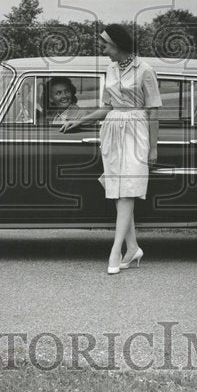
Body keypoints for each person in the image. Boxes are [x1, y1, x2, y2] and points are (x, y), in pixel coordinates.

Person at [59, 24, 161, 274]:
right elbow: (107, 106)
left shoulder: (145, 70)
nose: (102, 49)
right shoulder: (111, 68)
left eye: (105, 45)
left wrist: (153, 148)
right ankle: (133, 247)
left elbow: (154, 110)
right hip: (113, 129)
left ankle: (115, 251)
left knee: (128, 191)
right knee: (117, 190)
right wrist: (80, 120)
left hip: (136, 130)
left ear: (119, 45)